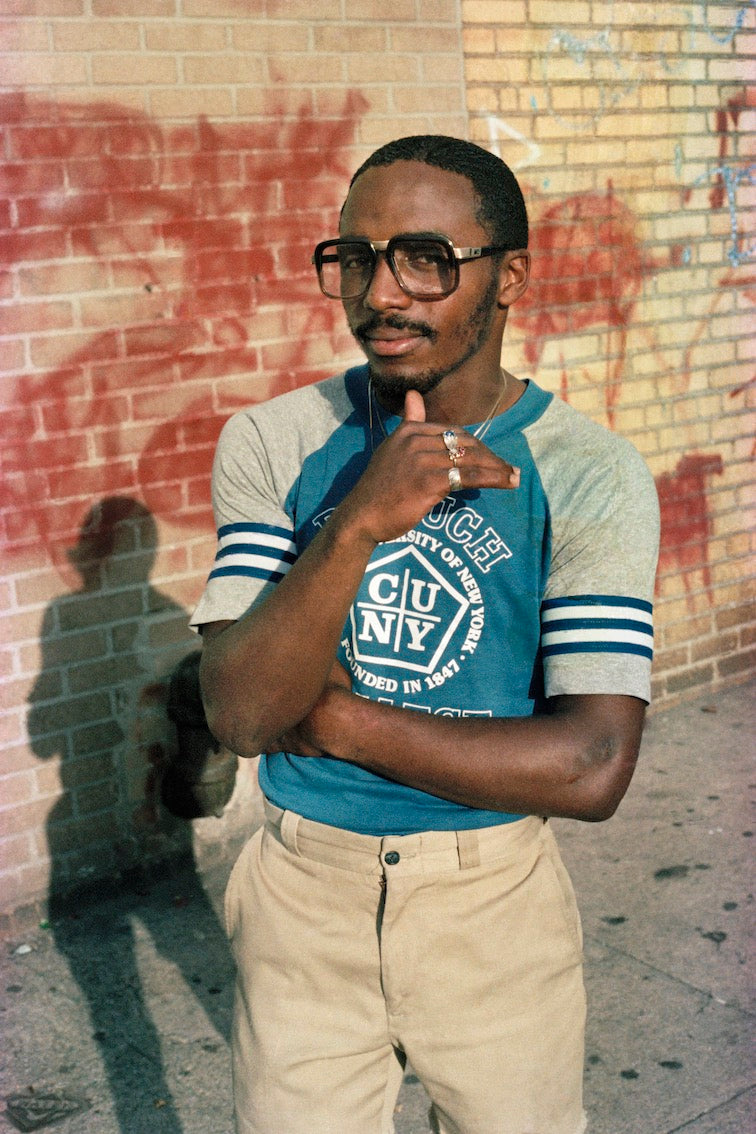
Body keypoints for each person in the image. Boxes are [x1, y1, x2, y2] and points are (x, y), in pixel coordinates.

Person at [191, 135, 660, 1134]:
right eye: (356, 259)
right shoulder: (277, 439)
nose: (381, 295)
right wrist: (360, 517)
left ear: (510, 277)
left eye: (425, 260)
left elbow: (590, 765)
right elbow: (239, 712)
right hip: (302, 902)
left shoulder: (587, 472)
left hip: (492, 902)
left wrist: (331, 721)